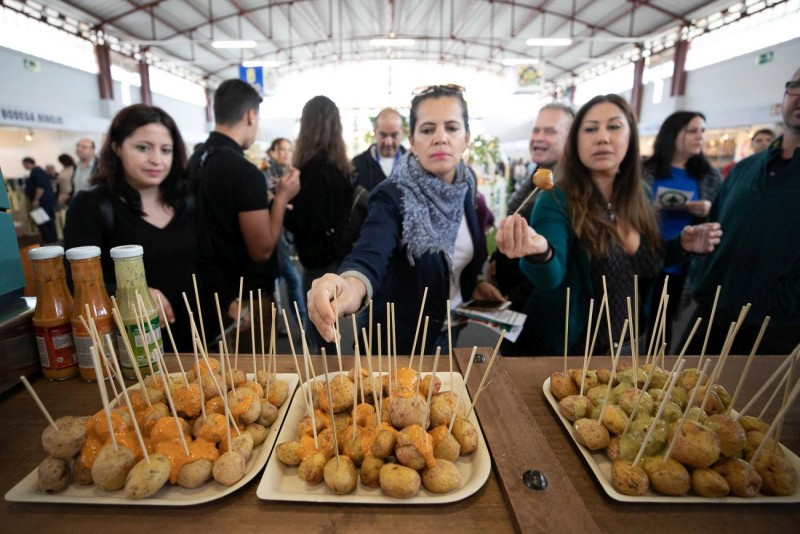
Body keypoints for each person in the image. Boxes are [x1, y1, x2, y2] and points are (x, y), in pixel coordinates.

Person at [495, 94, 722, 356]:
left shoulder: (641, 194)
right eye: (590, 128)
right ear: (576, 141)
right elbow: (551, 275)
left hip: (625, 340)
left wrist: (681, 245)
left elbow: (647, 262)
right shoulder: (556, 198)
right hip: (569, 346)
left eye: (614, 126)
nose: (602, 137)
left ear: (631, 136)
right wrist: (540, 251)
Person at [306, 84, 503, 355]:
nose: (440, 137)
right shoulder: (392, 195)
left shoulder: (467, 187)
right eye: (427, 129)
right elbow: (370, 254)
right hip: (396, 343)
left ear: (466, 137)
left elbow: (456, 258)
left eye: (452, 128)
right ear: (412, 140)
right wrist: (349, 286)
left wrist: (475, 284)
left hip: (450, 328)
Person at [63, 104, 208, 351]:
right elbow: (79, 283)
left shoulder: (187, 200)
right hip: (130, 348)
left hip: (194, 340)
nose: (156, 160)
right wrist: (132, 294)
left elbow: (205, 262)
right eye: (143, 148)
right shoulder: (92, 204)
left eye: (166, 150)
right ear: (116, 147)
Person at [686, 68, 800, 356]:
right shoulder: (746, 169)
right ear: (784, 95)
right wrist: (702, 277)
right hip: (713, 315)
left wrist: (785, 301)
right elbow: (714, 227)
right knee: (674, 394)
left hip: (778, 330)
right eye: (797, 86)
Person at [189, 79, 300, 344]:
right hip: (244, 299)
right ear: (251, 115)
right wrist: (282, 197)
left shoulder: (195, 161)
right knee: (254, 381)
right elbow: (261, 249)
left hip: (204, 289)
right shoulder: (243, 172)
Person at [490, 103, 574, 355]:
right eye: (536, 130)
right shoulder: (536, 175)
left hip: (534, 309)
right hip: (510, 301)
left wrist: (510, 297)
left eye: (550, 132)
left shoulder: (566, 191)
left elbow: (556, 258)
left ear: (571, 139)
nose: (538, 138)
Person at [642, 111, 721, 346]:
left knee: (663, 326)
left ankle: (653, 374)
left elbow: (720, 217)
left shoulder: (709, 176)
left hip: (683, 263)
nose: (700, 137)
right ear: (672, 134)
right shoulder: (645, 170)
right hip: (645, 255)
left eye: (702, 131)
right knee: (634, 319)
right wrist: (649, 206)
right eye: (692, 131)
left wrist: (708, 208)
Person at [283, 96, 356, 351]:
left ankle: (327, 381)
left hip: (316, 258)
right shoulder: (341, 168)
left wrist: (280, 205)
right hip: (338, 252)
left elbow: (304, 222)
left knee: (320, 325)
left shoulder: (312, 170)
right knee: (330, 320)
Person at [266, 137, 306, 332]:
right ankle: (303, 327)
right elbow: (271, 200)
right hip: (274, 241)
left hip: (285, 239)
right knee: (293, 280)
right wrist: (282, 201)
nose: (286, 154)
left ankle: (280, 323)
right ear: (272, 152)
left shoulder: (290, 174)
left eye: (289, 150)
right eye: (282, 150)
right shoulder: (265, 173)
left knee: (280, 281)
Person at [351, 108, 406, 191]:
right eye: (383, 135)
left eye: (394, 135)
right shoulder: (357, 166)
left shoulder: (414, 166)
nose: (388, 142)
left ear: (402, 132)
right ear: (375, 132)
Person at [22, 157, 57, 244]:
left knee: (44, 222)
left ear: (28, 163)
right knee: (45, 222)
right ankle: (49, 240)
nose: (23, 166)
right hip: (43, 201)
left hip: (42, 201)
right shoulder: (36, 172)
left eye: (24, 164)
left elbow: (40, 187)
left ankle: (49, 241)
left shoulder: (37, 172)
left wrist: (36, 199)